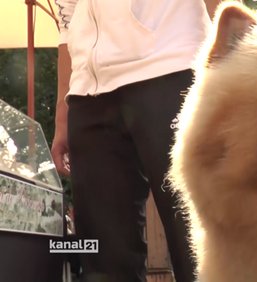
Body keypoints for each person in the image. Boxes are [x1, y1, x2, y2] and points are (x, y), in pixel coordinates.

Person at [51, 0, 229, 281]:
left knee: (197, 238)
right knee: (104, 258)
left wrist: (236, 66)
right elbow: (67, 18)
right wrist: (63, 114)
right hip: (87, 94)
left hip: (172, 67)